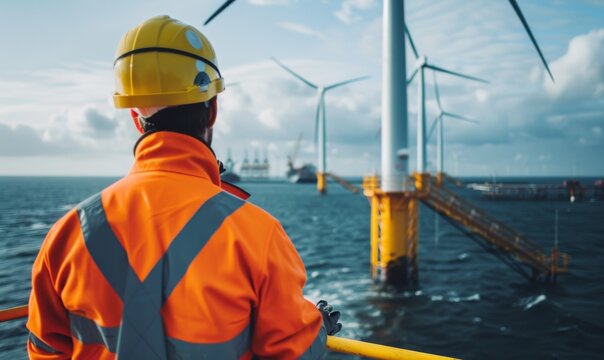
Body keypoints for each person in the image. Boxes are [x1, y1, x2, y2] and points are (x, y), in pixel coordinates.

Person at [27, 15, 341, 359]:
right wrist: (319, 328)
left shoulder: (66, 234)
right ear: (212, 111)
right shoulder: (258, 235)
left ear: (135, 117)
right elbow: (291, 353)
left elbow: (44, 349)